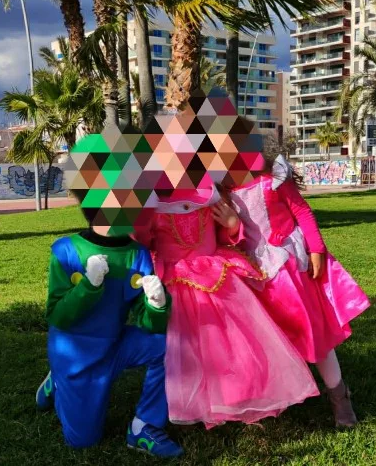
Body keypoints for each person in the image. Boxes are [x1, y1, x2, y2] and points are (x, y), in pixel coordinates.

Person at [35, 140, 183, 457]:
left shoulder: (137, 254)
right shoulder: (66, 251)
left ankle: (144, 426)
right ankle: (58, 381)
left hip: (115, 345)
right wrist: (88, 287)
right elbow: (57, 315)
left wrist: (157, 305)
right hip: (76, 356)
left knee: (171, 345)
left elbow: (149, 322)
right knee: (83, 440)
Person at [133, 183, 319, 429]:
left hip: (217, 275)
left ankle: (239, 394)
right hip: (178, 282)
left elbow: (221, 234)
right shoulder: (152, 203)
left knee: (235, 341)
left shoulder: (207, 193)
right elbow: (144, 242)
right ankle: (200, 402)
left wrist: (232, 225)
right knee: (192, 346)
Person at [228, 155, 370, 428]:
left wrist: (316, 248)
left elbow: (302, 211)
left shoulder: (273, 176)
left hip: (290, 269)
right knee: (270, 341)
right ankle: (277, 397)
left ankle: (339, 396)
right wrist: (233, 227)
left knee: (313, 333)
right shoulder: (221, 188)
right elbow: (228, 236)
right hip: (256, 275)